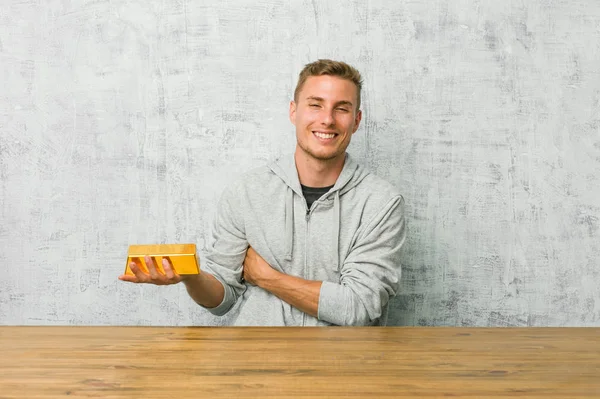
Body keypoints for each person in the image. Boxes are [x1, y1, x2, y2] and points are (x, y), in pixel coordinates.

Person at [119, 59, 407, 326]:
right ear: (294, 111)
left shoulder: (381, 203)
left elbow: (358, 307)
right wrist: (192, 277)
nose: (327, 120)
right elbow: (222, 300)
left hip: (343, 367)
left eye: (341, 108)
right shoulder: (246, 193)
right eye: (315, 105)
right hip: (254, 362)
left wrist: (268, 278)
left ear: (356, 121)